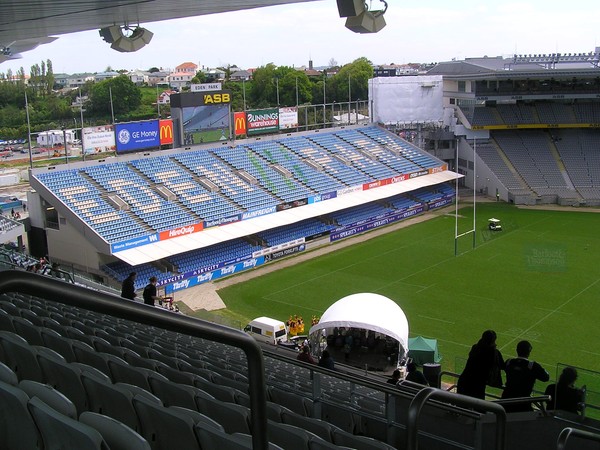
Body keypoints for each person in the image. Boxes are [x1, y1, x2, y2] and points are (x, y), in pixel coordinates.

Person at [501, 340, 549, 412]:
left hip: (506, 401)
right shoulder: (532, 366)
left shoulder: (509, 362)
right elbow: (546, 377)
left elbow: (504, 368)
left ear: (517, 350)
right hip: (523, 403)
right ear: (529, 352)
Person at [457, 330, 505, 399]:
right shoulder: (493, 352)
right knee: (479, 408)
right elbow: (502, 366)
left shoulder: (475, 348)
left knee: (461, 407)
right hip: (477, 386)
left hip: (464, 382)